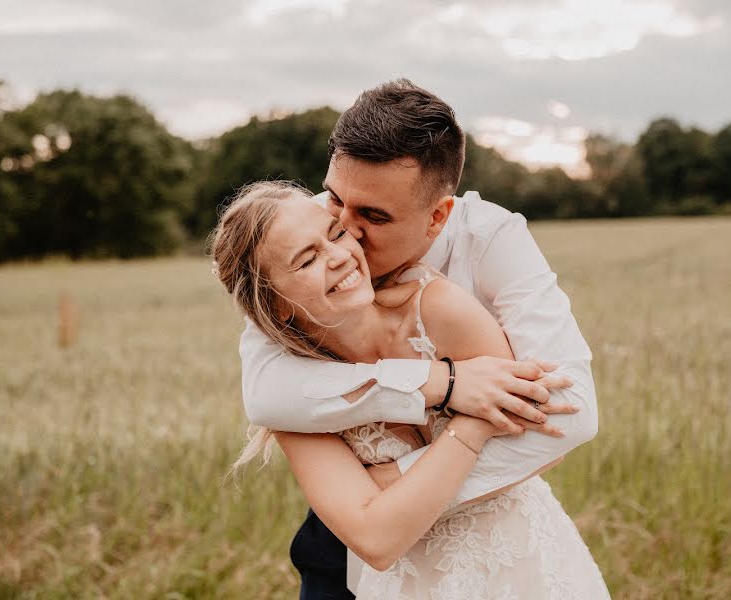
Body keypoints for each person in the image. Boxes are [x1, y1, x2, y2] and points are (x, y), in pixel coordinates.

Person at [236, 80, 600, 598]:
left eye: (373, 217)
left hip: (486, 532)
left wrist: (396, 482)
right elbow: (267, 393)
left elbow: (571, 410)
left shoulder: (490, 239)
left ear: (438, 216)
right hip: (347, 536)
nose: (344, 232)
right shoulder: (307, 239)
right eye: (335, 197)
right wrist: (442, 383)